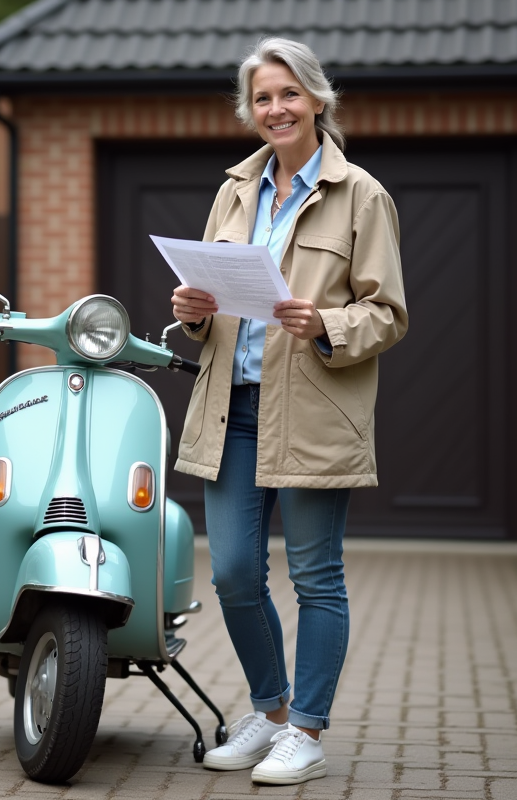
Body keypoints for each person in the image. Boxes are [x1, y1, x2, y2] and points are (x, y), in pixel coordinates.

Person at [169, 37, 408, 786]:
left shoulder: (361, 194)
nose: (276, 109)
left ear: (317, 100)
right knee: (236, 572)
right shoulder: (234, 190)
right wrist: (191, 310)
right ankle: (269, 715)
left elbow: (390, 313)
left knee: (315, 577)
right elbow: (211, 301)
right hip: (233, 409)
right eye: (263, 98)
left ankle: (306, 730)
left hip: (310, 407)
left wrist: (329, 326)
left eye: (288, 94)